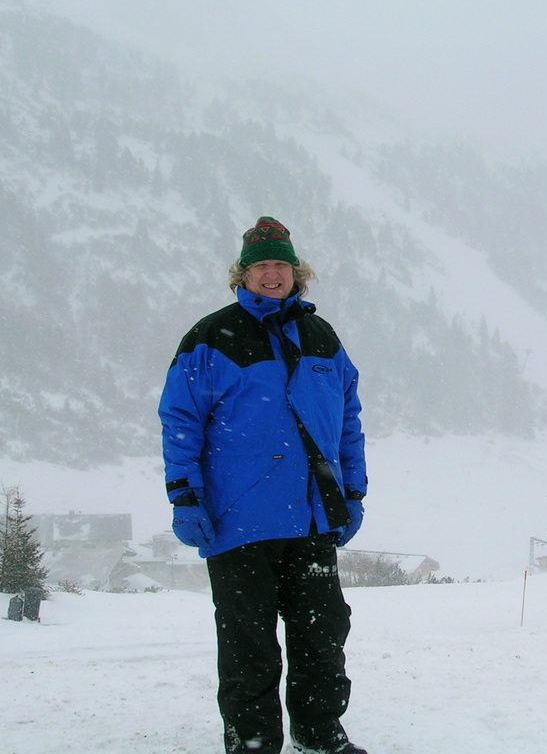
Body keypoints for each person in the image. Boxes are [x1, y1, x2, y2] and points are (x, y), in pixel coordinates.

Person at [158, 216, 369, 754]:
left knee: (323, 634)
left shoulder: (322, 338)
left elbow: (348, 420)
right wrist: (185, 497)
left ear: (297, 272)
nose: (272, 274)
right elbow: (180, 421)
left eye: (280, 264)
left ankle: (319, 734)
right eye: (261, 266)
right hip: (239, 520)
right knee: (248, 645)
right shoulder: (211, 337)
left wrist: (353, 492)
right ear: (243, 274)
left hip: (313, 517)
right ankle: (253, 743)